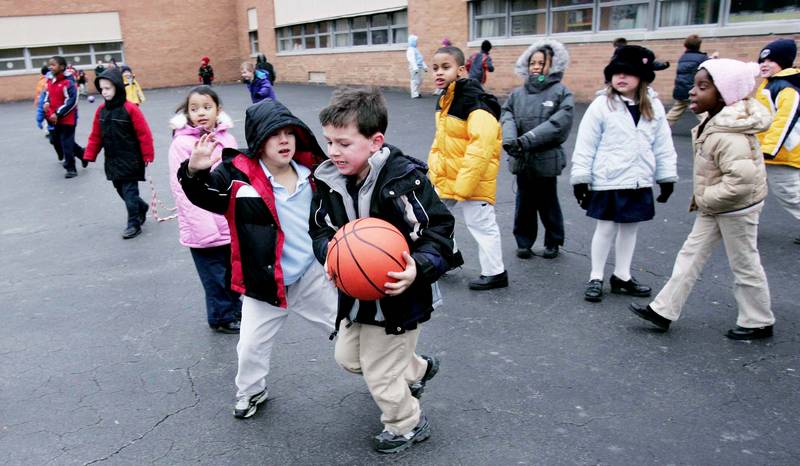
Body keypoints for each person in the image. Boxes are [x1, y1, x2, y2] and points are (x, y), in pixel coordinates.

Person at [310, 87, 461, 454]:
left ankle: (406, 424)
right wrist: (330, 254)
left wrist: (418, 268)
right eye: (329, 142)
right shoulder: (329, 181)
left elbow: (439, 231)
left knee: (380, 374)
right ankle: (418, 369)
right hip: (356, 295)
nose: (333, 152)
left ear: (375, 141)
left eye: (344, 143)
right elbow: (319, 229)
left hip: (399, 297)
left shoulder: (404, 181)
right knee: (348, 360)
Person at [178, 99, 337, 420]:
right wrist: (195, 169)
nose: (283, 140)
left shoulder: (315, 173)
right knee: (249, 346)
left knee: (349, 333)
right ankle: (251, 392)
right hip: (263, 282)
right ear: (257, 141)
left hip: (311, 276)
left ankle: (400, 376)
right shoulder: (237, 176)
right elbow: (201, 193)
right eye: (272, 134)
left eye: (288, 133)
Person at [630, 59, 776, 341]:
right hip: (717, 204)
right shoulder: (716, 120)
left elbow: (741, 182)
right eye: (695, 85)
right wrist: (709, 200)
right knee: (690, 256)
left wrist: (706, 197)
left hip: (736, 208)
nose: (693, 92)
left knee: (744, 263)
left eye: (703, 87)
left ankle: (758, 320)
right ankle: (663, 310)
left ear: (724, 94)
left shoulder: (728, 135)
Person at [571, 45, 678, 303]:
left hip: (638, 179)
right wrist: (581, 178)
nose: (621, 77)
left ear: (642, 77)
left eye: (628, 73)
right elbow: (586, 144)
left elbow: (663, 144)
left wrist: (666, 177)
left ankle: (622, 276)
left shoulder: (654, 107)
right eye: (616, 72)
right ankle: (595, 276)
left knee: (629, 229)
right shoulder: (601, 105)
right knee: (605, 228)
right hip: (608, 178)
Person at [429, 46, 506, 290]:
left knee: (482, 225)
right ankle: (449, 257)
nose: (439, 72)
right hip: (450, 176)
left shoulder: (475, 101)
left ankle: (496, 273)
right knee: (433, 218)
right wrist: (434, 169)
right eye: (435, 68)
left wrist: (464, 186)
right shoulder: (445, 99)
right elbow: (441, 142)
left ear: (461, 70)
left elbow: (481, 148)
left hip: (473, 180)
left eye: (445, 67)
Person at [168, 86, 242, 334]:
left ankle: (234, 309)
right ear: (187, 113)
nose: (201, 112)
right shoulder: (182, 144)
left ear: (218, 110)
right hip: (204, 224)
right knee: (214, 275)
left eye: (207, 107)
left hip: (228, 220)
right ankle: (221, 316)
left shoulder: (227, 139)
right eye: (194, 108)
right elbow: (182, 189)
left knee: (233, 270)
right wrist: (203, 225)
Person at [502, 39, 574, 260]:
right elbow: (507, 115)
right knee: (523, 203)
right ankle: (524, 242)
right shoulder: (517, 94)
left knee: (548, 203)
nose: (535, 66)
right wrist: (511, 140)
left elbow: (558, 124)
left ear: (552, 65)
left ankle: (553, 241)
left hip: (546, 158)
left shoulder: (561, 92)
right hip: (522, 160)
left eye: (541, 62)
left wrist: (526, 140)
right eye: (532, 62)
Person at [82, 69, 154, 239]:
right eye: (102, 89)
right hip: (112, 160)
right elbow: (96, 135)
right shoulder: (101, 111)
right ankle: (141, 207)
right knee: (120, 189)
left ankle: (133, 223)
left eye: (108, 88)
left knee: (129, 192)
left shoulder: (130, 109)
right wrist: (89, 154)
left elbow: (144, 133)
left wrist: (147, 155)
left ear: (118, 88)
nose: (104, 92)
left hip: (131, 159)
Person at [754, 38, 800, 244]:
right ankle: (744, 225)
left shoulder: (786, 87)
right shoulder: (772, 84)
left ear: (784, 62)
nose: (764, 64)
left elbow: (784, 120)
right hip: (766, 152)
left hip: (781, 155)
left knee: (791, 194)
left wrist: (768, 149)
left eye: (771, 60)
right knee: (752, 189)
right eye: (762, 60)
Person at [43, 55, 85, 178]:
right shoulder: (50, 80)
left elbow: (72, 101)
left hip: (67, 119)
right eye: (49, 64)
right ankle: (82, 154)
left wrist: (58, 113)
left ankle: (71, 168)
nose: (50, 67)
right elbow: (48, 94)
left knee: (66, 143)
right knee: (58, 141)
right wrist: (46, 103)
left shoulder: (69, 82)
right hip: (53, 118)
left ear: (62, 67)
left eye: (53, 65)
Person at [666, 35, 711, 126]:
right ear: (699, 45)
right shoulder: (702, 58)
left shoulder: (683, 58)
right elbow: (708, 67)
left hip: (681, 90)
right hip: (694, 90)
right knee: (702, 113)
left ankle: (663, 128)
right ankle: (709, 129)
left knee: (674, 113)